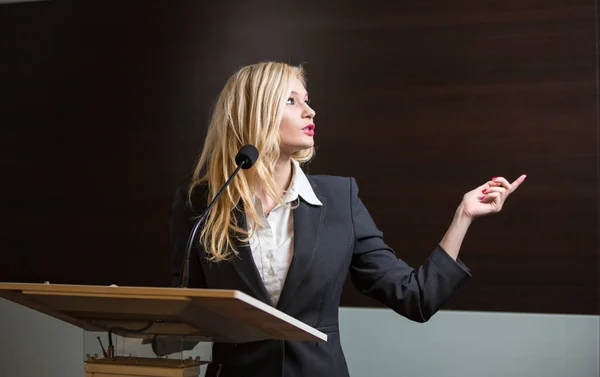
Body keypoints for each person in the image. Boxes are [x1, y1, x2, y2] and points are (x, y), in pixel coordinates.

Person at [168, 61, 526, 377]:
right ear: (254, 115)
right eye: (291, 100)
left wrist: (463, 216)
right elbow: (183, 317)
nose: (310, 111)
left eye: (307, 100)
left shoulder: (340, 200)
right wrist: (131, 310)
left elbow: (415, 297)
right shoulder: (199, 203)